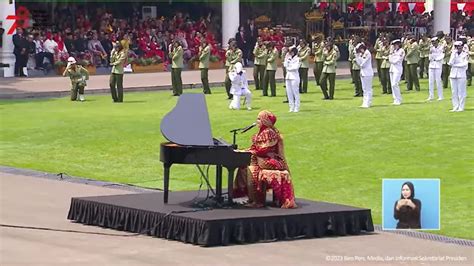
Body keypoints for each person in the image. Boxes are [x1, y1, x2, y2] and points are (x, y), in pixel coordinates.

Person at [233, 110, 297, 208]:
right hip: (261, 159)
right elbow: (256, 148)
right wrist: (245, 151)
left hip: (270, 161)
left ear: (265, 121)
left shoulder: (269, 132)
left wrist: (251, 152)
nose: (257, 121)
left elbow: (264, 150)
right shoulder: (262, 132)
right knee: (243, 168)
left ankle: (257, 201)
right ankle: (247, 197)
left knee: (252, 169)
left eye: (259, 119)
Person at [448, 41, 468, 112]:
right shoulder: (453, 54)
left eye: (459, 46)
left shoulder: (465, 54)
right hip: (453, 74)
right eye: (456, 46)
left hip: (461, 75)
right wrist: (453, 54)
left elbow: (464, 64)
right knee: (454, 92)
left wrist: (455, 65)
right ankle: (455, 106)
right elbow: (450, 63)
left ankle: (461, 107)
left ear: (462, 46)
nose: (458, 48)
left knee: (461, 92)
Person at [354, 43, 374, 108]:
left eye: (360, 49)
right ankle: (364, 102)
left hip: (368, 73)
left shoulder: (367, 53)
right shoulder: (361, 54)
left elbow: (363, 64)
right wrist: (357, 56)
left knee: (368, 89)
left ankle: (368, 102)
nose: (359, 51)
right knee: (364, 89)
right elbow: (359, 63)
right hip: (363, 73)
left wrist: (359, 58)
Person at [284, 46, 301, 113]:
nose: (290, 53)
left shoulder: (297, 59)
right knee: (289, 93)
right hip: (288, 76)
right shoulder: (289, 58)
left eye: (291, 52)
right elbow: (285, 65)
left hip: (294, 77)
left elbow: (295, 67)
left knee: (295, 93)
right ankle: (291, 107)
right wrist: (286, 58)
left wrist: (289, 68)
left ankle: (297, 107)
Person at [427, 37, 444, 101]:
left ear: (437, 41)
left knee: (438, 80)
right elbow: (430, 56)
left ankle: (440, 96)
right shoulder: (431, 48)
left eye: (434, 42)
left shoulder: (441, 47)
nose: (433, 43)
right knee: (430, 81)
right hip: (431, 65)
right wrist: (432, 58)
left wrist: (436, 58)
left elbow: (442, 55)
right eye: (432, 42)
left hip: (438, 65)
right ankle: (431, 96)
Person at [389, 39, 405, 105]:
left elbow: (398, 60)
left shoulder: (401, 51)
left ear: (398, 44)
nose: (394, 46)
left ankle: (398, 99)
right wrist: (391, 55)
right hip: (392, 68)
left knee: (395, 84)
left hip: (398, 69)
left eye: (395, 45)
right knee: (392, 85)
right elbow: (390, 59)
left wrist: (392, 60)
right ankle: (395, 99)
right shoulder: (393, 51)